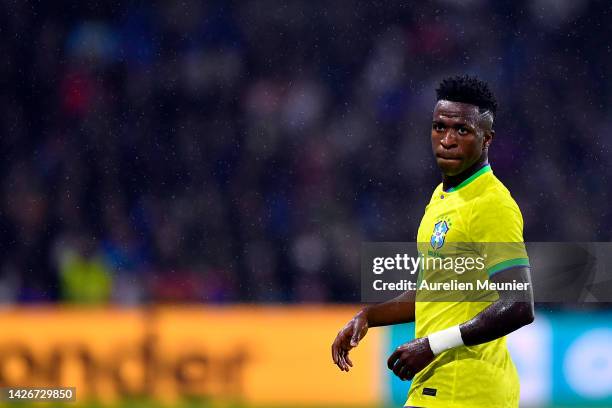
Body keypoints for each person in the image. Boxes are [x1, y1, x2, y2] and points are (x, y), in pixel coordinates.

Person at [331, 75, 534, 408]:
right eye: (440, 127)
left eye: (462, 130)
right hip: (446, 385)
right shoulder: (443, 197)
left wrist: (431, 346)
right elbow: (434, 292)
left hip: (463, 389)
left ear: (487, 140)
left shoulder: (491, 203)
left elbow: (519, 305)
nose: (447, 140)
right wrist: (367, 316)